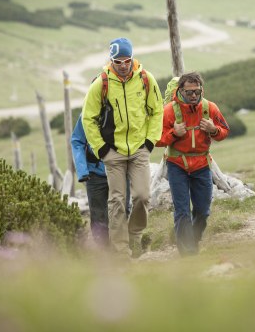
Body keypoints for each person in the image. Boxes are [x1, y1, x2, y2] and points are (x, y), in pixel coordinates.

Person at [82, 37, 163, 258]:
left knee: (142, 196)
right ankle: (120, 251)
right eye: (118, 62)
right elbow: (88, 119)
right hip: (113, 152)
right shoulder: (101, 83)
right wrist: (102, 150)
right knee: (116, 201)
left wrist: (149, 142)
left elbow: (157, 111)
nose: (123, 65)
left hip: (139, 150)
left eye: (127, 60)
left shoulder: (146, 79)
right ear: (111, 61)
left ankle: (134, 238)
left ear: (132, 58)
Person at [156, 72, 229, 256]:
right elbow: (156, 140)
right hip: (176, 165)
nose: (194, 95)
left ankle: (193, 240)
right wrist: (174, 133)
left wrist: (213, 129)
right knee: (182, 211)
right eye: (189, 92)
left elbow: (224, 131)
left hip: (202, 164)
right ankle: (188, 253)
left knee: (203, 211)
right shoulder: (169, 111)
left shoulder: (209, 108)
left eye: (197, 91)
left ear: (201, 89)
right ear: (180, 91)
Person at [71, 114, 131, 248]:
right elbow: (77, 141)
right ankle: (105, 253)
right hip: (95, 174)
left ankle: (122, 249)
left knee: (122, 210)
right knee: (99, 215)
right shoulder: (86, 115)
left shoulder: (123, 108)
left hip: (121, 170)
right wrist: (83, 171)